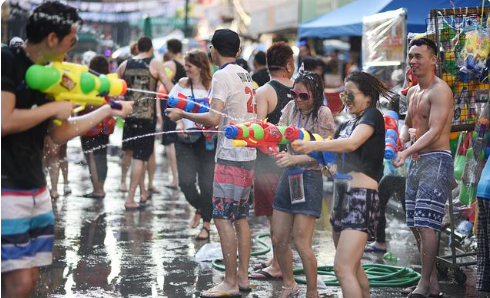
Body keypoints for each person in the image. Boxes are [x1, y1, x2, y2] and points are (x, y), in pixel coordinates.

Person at [1, 2, 133, 297]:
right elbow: (4, 120)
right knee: (18, 281)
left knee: (32, 276)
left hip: (36, 187)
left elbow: (59, 133)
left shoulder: (51, 74)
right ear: (52, 39)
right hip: (6, 189)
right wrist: (52, 107)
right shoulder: (7, 60)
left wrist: (108, 110)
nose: (71, 49)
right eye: (70, 41)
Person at [166, 29, 258, 297]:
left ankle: (229, 281)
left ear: (213, 50)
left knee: (221, 218)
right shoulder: (244, 74)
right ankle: (242, 277)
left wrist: (183, 113)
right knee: (240, 217)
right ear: (238, 52)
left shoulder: (221, 75)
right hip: (248, 154)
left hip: (230, 155)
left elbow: (214, 117)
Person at [293, 72, 396, 298]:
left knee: (342, 267)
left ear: (368, 97)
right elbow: (332, 160)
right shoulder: (347, 124)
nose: (346, 101)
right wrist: (305, 156)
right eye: (344, 95)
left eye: (351, 95)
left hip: (361, 199)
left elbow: (352, 143)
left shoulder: (372, 116)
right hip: (342, 199)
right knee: (353, 266)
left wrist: (312, 145)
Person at [393, 38, 454, 298]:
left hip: (437, 159)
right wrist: (402, 137)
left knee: (428, 224)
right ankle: (431, 282)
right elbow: (407, 122)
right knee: (415, 224)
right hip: (418, 160)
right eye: (410, 56)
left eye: (418, 56)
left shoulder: (440, 90)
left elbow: (436, 130)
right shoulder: (414, 92)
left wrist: (407, 150)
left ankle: (423, 285)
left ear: (433, 60)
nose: (413, 61)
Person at [271, 71, 335, 298]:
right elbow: (279, 133)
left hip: (309, 178)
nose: (297, 99)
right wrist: (265, 138)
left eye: (303, 95)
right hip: (288, 176)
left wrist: (294, 158)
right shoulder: (290, 108)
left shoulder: (323, 114)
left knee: (301, 241)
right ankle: (289, 284)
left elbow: (325, 151)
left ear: (315, 95)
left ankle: (312, 291)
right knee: (278, 237)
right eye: (293, 94)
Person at [248, 42, 295, 280]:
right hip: (296, 160)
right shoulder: (301, 88)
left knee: (274, 216)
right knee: (285, 215)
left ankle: (277, 264)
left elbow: (259, 130)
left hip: (269, 162)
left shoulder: (264, 92)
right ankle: (277, 259)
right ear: (289, 64)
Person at [117, 36, 173, 210]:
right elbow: (169, 87)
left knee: (134, 155)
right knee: (140, 158)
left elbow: (116, 90)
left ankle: (142, 192)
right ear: (150, 49)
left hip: (129, 117)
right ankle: (130, 198)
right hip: (146, 119)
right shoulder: (154, 63)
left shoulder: (124, 65)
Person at [171, 49, 215, 240]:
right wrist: (179, 121)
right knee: (186, 183)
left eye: (189, 66)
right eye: (185, 66)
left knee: (207, 184)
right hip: (185, 139)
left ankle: (206, 225)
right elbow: (172, 107)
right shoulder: (181, 84)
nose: (186, 69)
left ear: (200, 66)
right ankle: (201, 207)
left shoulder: (212, 87)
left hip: (207, 141)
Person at [79, 55, 115, 199]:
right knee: (101, 156)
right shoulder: (107, 82)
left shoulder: (88, 82)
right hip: (105, 125)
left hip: (90, 125)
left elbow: (86, 104)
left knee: (92, 157)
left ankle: (97, 190)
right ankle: (101, 188)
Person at [160, 38, 187, 190]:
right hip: (186, 105)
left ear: (169, 50)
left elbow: (163, 82)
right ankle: (182, 176)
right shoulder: (186, 63)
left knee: (171, 142)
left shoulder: (170, 65)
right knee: (180, 141)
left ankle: (175, 178)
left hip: (172, 105)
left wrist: (172, 94)